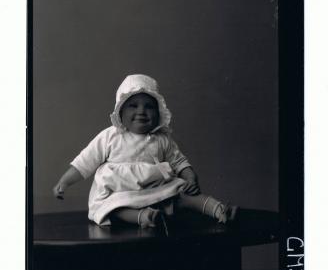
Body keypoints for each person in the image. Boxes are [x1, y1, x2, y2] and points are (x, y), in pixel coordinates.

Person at [52, 74, 238, 228]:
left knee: (184, 195)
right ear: (120, 111)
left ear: (158, 113)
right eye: (133, 105)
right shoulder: (110, 136)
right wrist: (65, 182)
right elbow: (85, 162)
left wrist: (190, 177)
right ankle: (145, 217)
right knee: (112, 208)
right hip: (119, 193)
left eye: (149, 106)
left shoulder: (162, 139)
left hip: (157, 191)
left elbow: (179, 162)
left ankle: (218, 209)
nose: (141, 111)